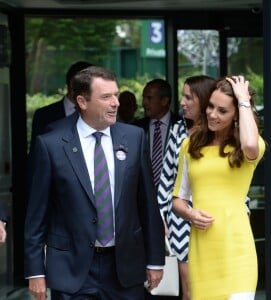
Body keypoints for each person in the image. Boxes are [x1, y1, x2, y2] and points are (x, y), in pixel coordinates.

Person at [24, 66, 165, 300]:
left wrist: (155, 260)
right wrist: (35, 270)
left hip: (124, 267)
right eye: (106, 96)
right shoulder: (51, 144)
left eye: (116, 95)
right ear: (82, 101)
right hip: (72, 269)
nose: (116, 103)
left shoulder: (134, 138)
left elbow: (147, 205)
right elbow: (37, 214)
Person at [172, 75, 266, 299]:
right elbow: (178, 199)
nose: (213, 114)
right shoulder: (190, 144)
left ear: (237, 114)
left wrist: (243, 98)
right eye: (211, 106)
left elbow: (251, 143)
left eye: (222, 110)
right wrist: (190, 213)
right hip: (202, 249)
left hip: (237, 250)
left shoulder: (249, 147)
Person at [158, 75, 216, 300]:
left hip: (215, 218)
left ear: (203, 100)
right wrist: (161, 216)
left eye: (188, 97)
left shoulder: (222, 134)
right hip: (181, 221)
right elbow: (167, 177)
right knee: (190, 292)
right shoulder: (177, 130)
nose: (181, 102)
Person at [29, 60, 93, 153]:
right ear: (73, 84)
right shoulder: (44, 115)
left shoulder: (98, 113)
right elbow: (36, 155)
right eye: (91, 84)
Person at [133, 78, 181, 189]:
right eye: (144, 98)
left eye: (149, 98)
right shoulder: (137, 128)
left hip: (173, 195)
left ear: (164, 101)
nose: (144, 103)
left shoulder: (182, 127)